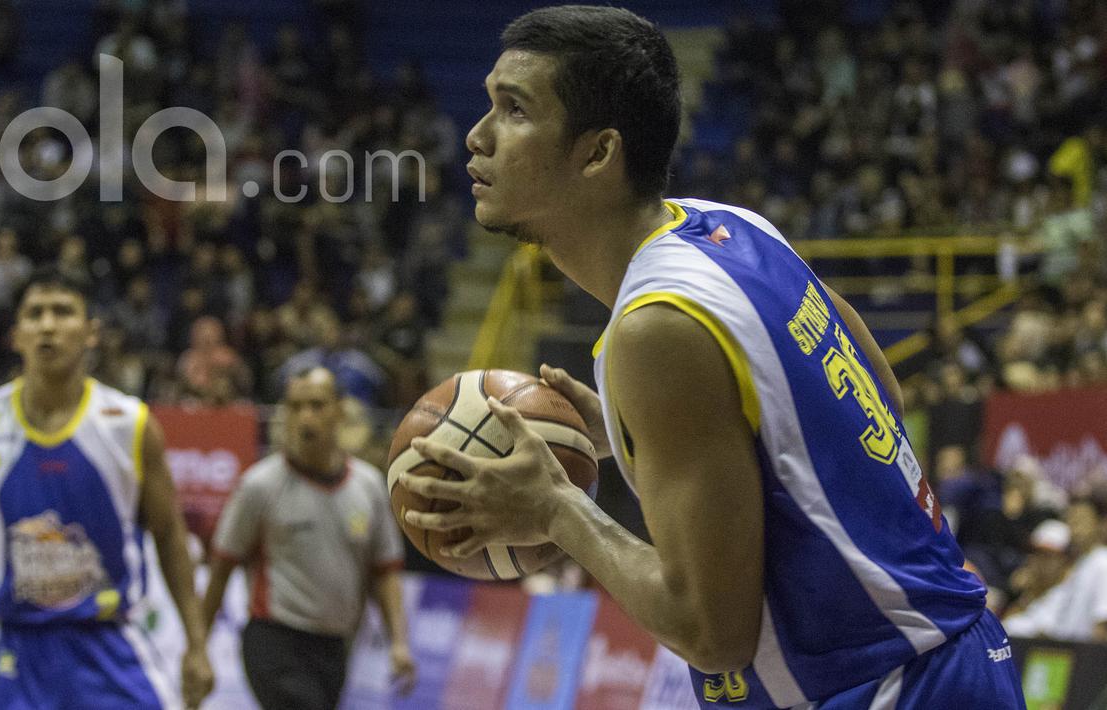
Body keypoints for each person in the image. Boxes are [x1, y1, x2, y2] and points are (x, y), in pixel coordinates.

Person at [397, 6, 1024, 708]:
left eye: (513, 111)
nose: (476, 136)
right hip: (950, 656)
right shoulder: (728, 227)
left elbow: (711, 632)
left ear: (597, 153)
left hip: (887, 686)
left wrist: (557, 510)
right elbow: (878, 390)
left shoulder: (657, 327)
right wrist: (637, 430)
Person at [0, 266, 214, 709]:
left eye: (63, 311)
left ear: (91, 332)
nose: (49, 325)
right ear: (16, 335)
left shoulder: (129, 424)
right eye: (35, 314)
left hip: (107, 642)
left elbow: (169, 534)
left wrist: (196, 642)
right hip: (14, 647)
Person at [202, 366, 415, 710]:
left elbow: (384, 571)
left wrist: (399, 643)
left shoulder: (369, 486)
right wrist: (198, 647)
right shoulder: (260, 485)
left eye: (316, 405)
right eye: (295, 406)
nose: (305, 417)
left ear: (340, 411)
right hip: (274, 640)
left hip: (336, 646)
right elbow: (221, 566)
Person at [1003, 494, 1107, 642]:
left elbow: (1103, 625)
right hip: (1068, 652)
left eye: (1081, 520)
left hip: (1088, 657)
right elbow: (1042, 620)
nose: (1074, 528)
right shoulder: (1080, 566)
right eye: (1071, 520)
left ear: (1100, 524)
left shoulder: (1103, 563)